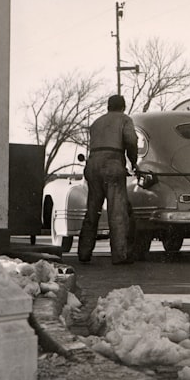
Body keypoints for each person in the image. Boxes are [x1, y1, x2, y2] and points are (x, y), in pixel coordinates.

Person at [78, 94, 138, 265]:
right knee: (117, 211)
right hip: (112, 164)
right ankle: (120, 255)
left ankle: (84, 252)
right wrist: (133, 161)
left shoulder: (97, 122)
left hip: (92, 164)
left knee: (92, 210)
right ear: (123, 107)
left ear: (108, 106)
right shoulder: (125, 120)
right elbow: (131, 140)